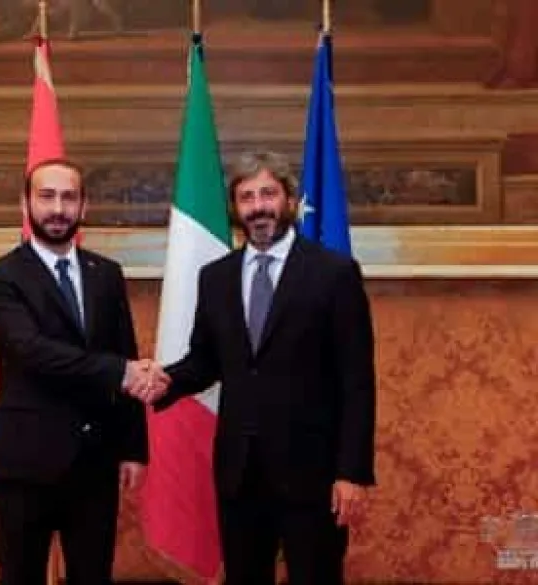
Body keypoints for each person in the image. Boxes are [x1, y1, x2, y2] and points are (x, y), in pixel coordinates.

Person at [132, 151, 376, 585]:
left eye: (268, 194)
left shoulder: (333, 273)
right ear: (235, 208)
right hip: (240, 473)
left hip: (313, 474)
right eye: (247, 197)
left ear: (289, 200)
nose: (258, 207)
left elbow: (356, 382)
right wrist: (165, 380)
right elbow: (205, 361)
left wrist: (352, 472)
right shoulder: (216, 277)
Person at [0, 158, 166, 585]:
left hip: (94, 461)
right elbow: (30, 350)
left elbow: (125, 353)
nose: (58, 209)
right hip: (24, 459)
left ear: (84, 206)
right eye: (47, 196)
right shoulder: (1, 276)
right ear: (25, 204)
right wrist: (121, 371)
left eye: (69, 197)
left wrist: (133, 447)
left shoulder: (106, 274)